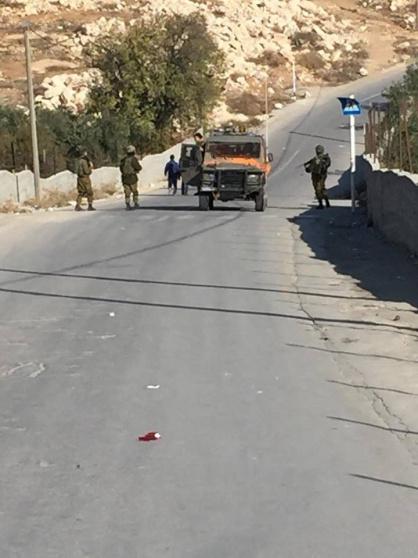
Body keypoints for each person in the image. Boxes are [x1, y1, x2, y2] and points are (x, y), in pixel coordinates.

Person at [304, 145, 331, 209]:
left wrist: (323, 165)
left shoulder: (324, 158)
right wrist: (308, 168)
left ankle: (321, 204)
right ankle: (326, 202)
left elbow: (327, 164)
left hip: (321, 176)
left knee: (318, 189)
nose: (318, 151)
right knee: (321, 188)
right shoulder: (315, 159)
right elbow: (310, 167)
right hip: (316, 175)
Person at [120, 145, 142, 210]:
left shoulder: (123, 159)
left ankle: (127, 204)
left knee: (127, 192)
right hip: (132, 178)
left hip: (125, 178)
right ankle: (136, 203)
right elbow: (138, 167)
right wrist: (136, 170)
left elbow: (121, 168)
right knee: (134, 191)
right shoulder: (133, 159)